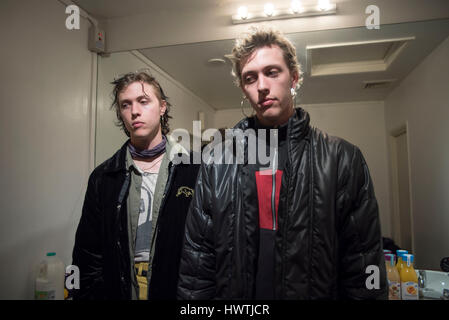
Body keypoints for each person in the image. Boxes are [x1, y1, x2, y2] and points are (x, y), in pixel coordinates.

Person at [177, 28, 387, 300]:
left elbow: (363, 259)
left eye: (272, 72)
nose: (262, 86)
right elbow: (198, 261)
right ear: (243, 88)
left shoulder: (342, 158)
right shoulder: (217, 160)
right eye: (250, 78)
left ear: (294, 78)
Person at [72, 70, 199, 300]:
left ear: (162, 107)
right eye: (126, 105)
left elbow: (207, 250)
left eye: (143, 101)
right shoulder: (104, 177)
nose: (135, 111)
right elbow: (88, 255)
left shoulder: (194, 170)